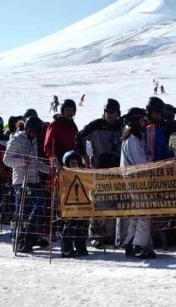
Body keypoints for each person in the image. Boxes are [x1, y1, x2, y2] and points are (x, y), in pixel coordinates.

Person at [76, 99, 122, 247]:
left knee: (112, 201)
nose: (109, 115)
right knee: (98, 202)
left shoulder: (121, 126)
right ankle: (95, 235)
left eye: (112, 112)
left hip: (116, 169)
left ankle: (108, 235)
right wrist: (84, 157)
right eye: (107, 112)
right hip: (99, 168)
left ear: (117, 113)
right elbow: (79, 136)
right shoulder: (96, 125)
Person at [3, 115, 50, 253]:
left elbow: (35, 162)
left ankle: (30, 235)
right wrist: (22, 161)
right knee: (22, 211)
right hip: (21, 180)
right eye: (34, 131)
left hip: (34, 180)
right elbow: (7, 159)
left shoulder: (34, 141)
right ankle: (18, 239)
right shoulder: (17, 139)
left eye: (37, 132)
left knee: (40, 205)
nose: (36, 134)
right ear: (28, 129)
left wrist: (49, 170)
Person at [117, 108, 157, 259]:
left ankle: (131, 242)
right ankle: (139, 245)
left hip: (133, 179)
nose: (143, 123)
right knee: (144, 212)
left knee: (136, 212)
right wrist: (151, 162)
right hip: (136, 179)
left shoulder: (133, 138)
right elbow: (140, 162)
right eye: (141, 120)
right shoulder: (132, 140)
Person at [60, 151, 89, 258]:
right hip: (68, 206)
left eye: (76, 163)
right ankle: (67, 249)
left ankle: (81, 248)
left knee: (80, 226)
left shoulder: (82, 173)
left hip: (81, 205)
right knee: (69, 227)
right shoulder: (63, 174)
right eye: (72, 163)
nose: (74, 165)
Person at [44, 99, 78, 168]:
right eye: (67, 110)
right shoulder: (55, 125)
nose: (70, 113)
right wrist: (53, 158)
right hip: (59, 161)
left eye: (72, 110)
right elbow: (48, 146)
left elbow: (75, 143)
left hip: (71, 161)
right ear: (62, 111)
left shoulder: (72, 125)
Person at [145, 97, 172, 161]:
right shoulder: (144, 130)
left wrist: (170, 161)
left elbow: (164, 148)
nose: (159, 116)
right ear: (149, 112)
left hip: (160, 167)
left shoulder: (158, 128)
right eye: (156, 113)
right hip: (148, 167)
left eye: (160, 113)